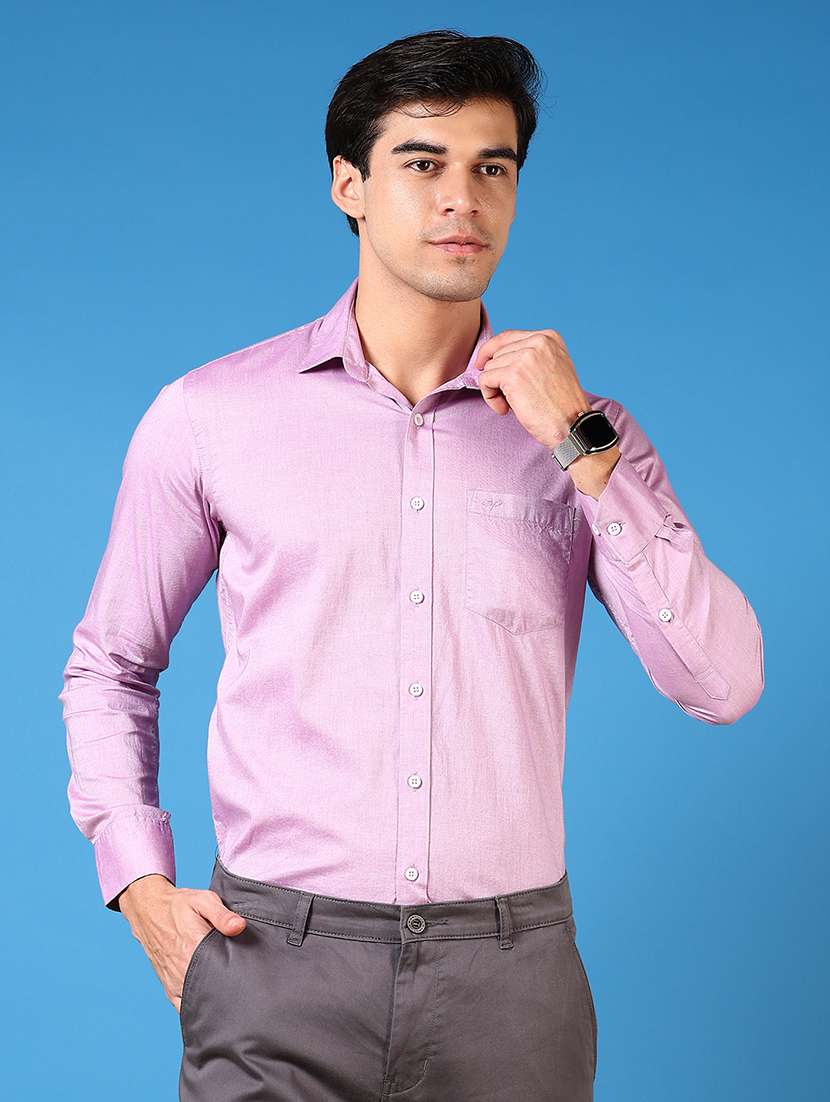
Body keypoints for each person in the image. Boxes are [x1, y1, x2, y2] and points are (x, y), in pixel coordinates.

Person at [58, 27, 764, 1101]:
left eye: (493, 169)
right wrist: (140, 885)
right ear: (349, 184)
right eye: (423, 163)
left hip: (512, 979)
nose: (461, 200)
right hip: (273, 962)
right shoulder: (208, 416)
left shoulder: (589, 437)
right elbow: (110, 663)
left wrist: (579, 445)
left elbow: (723, 683)